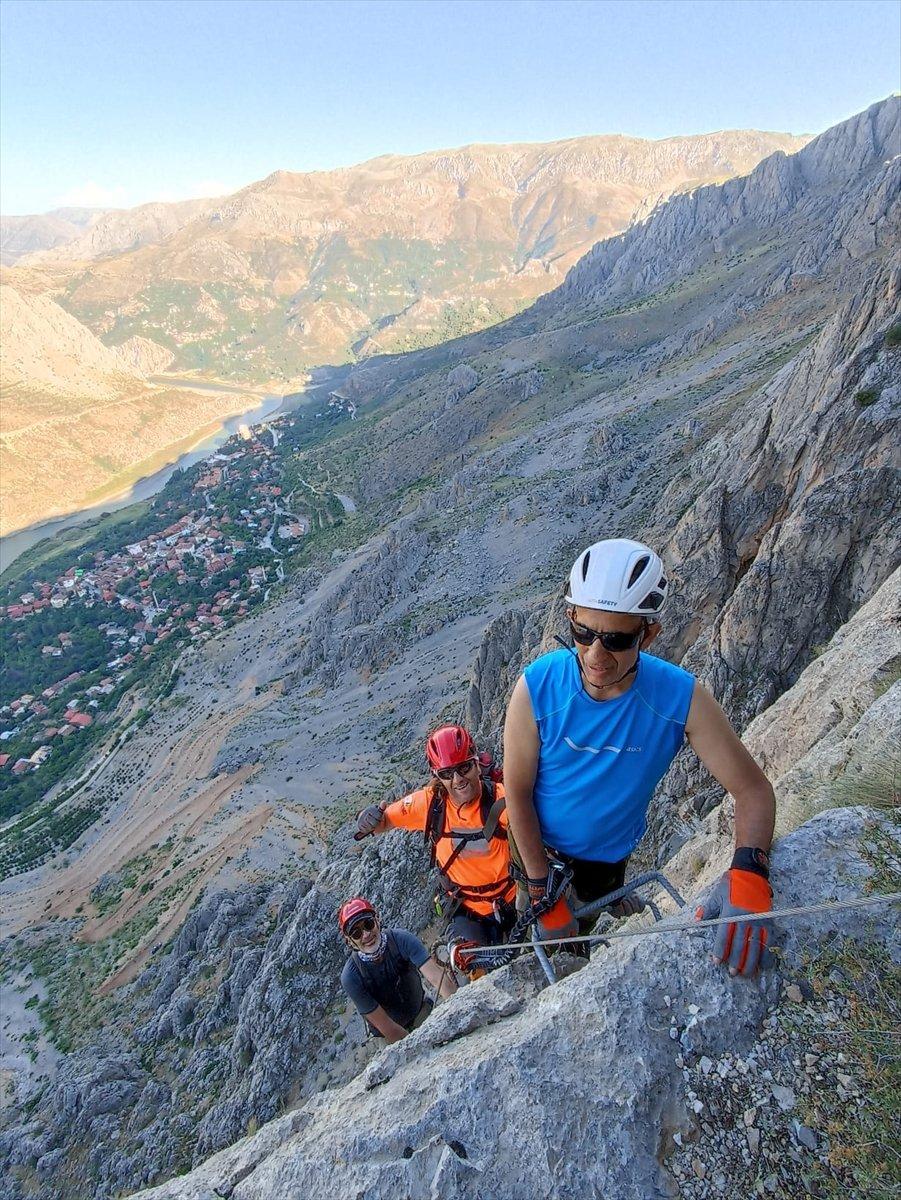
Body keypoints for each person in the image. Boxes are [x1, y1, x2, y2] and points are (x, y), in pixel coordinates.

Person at [503, 537, 776, 978]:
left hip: (605, 864)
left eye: (615, 639)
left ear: (648, 633)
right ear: (570, 618)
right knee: (536, 944)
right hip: (539, 852)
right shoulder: (537, 687)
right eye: (584, 633)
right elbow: (516, 791)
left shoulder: (678, 699)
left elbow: (753, 791)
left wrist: (749, 870)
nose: (595, 654)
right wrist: (539, 890)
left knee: (580, 935)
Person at [355, 725, 516, 967]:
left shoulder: (502, 801)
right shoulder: (430, 805)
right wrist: (368, 819)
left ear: (476, 763)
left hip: (515, 900)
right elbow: (385, 821)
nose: (458, 780)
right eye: (447, 773)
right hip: (468, 909)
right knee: (473, 964)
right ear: (437, 776)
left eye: (464, 768)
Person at [338, 897, 456, 1042]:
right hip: (389, 1037)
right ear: (349, 940)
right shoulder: (351, 977)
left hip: (422, 1013)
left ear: (377, 920)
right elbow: (387, 1027)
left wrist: (457, 1009)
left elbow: (439, 979)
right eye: (356, 933)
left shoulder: (401, 940)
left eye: (368, 924)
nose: (366, 935)